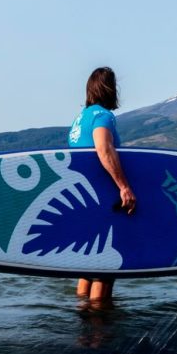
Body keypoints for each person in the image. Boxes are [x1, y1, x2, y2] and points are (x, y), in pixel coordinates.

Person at [68, 67, 136, 305]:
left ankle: (83, 321)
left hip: (82, 199)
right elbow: (103, 148)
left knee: (88, 263)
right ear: (109, 89)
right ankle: (99, 332)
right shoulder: (102, 116)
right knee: (106, 266)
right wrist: (124, 186)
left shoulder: (79, 120)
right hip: (101, 198)